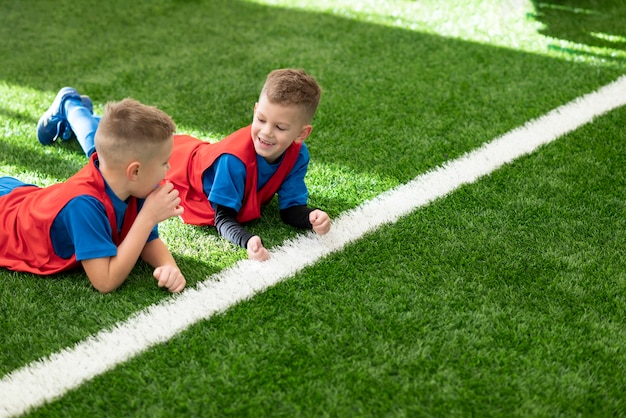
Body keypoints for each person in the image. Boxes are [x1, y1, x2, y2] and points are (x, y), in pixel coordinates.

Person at [0, 88, 186, 293]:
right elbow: (104, 281)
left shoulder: (137, 186)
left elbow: (147, 240)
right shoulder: (84, 205)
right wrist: (148, 217)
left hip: (23, 197)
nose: (168, 169)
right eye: (164, 163)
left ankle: (70, 106)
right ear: (135, 171)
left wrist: (168, 266)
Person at [166, 68, 331, 261]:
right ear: (255, 111)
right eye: (261, 119)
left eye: (280, 127)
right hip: (175, 166)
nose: (266, 132)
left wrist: (312, 217)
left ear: (301, 134)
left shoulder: (298, 155)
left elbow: (290, 209)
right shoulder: (233, 160)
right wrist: (247, 240)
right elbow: (223, 219)